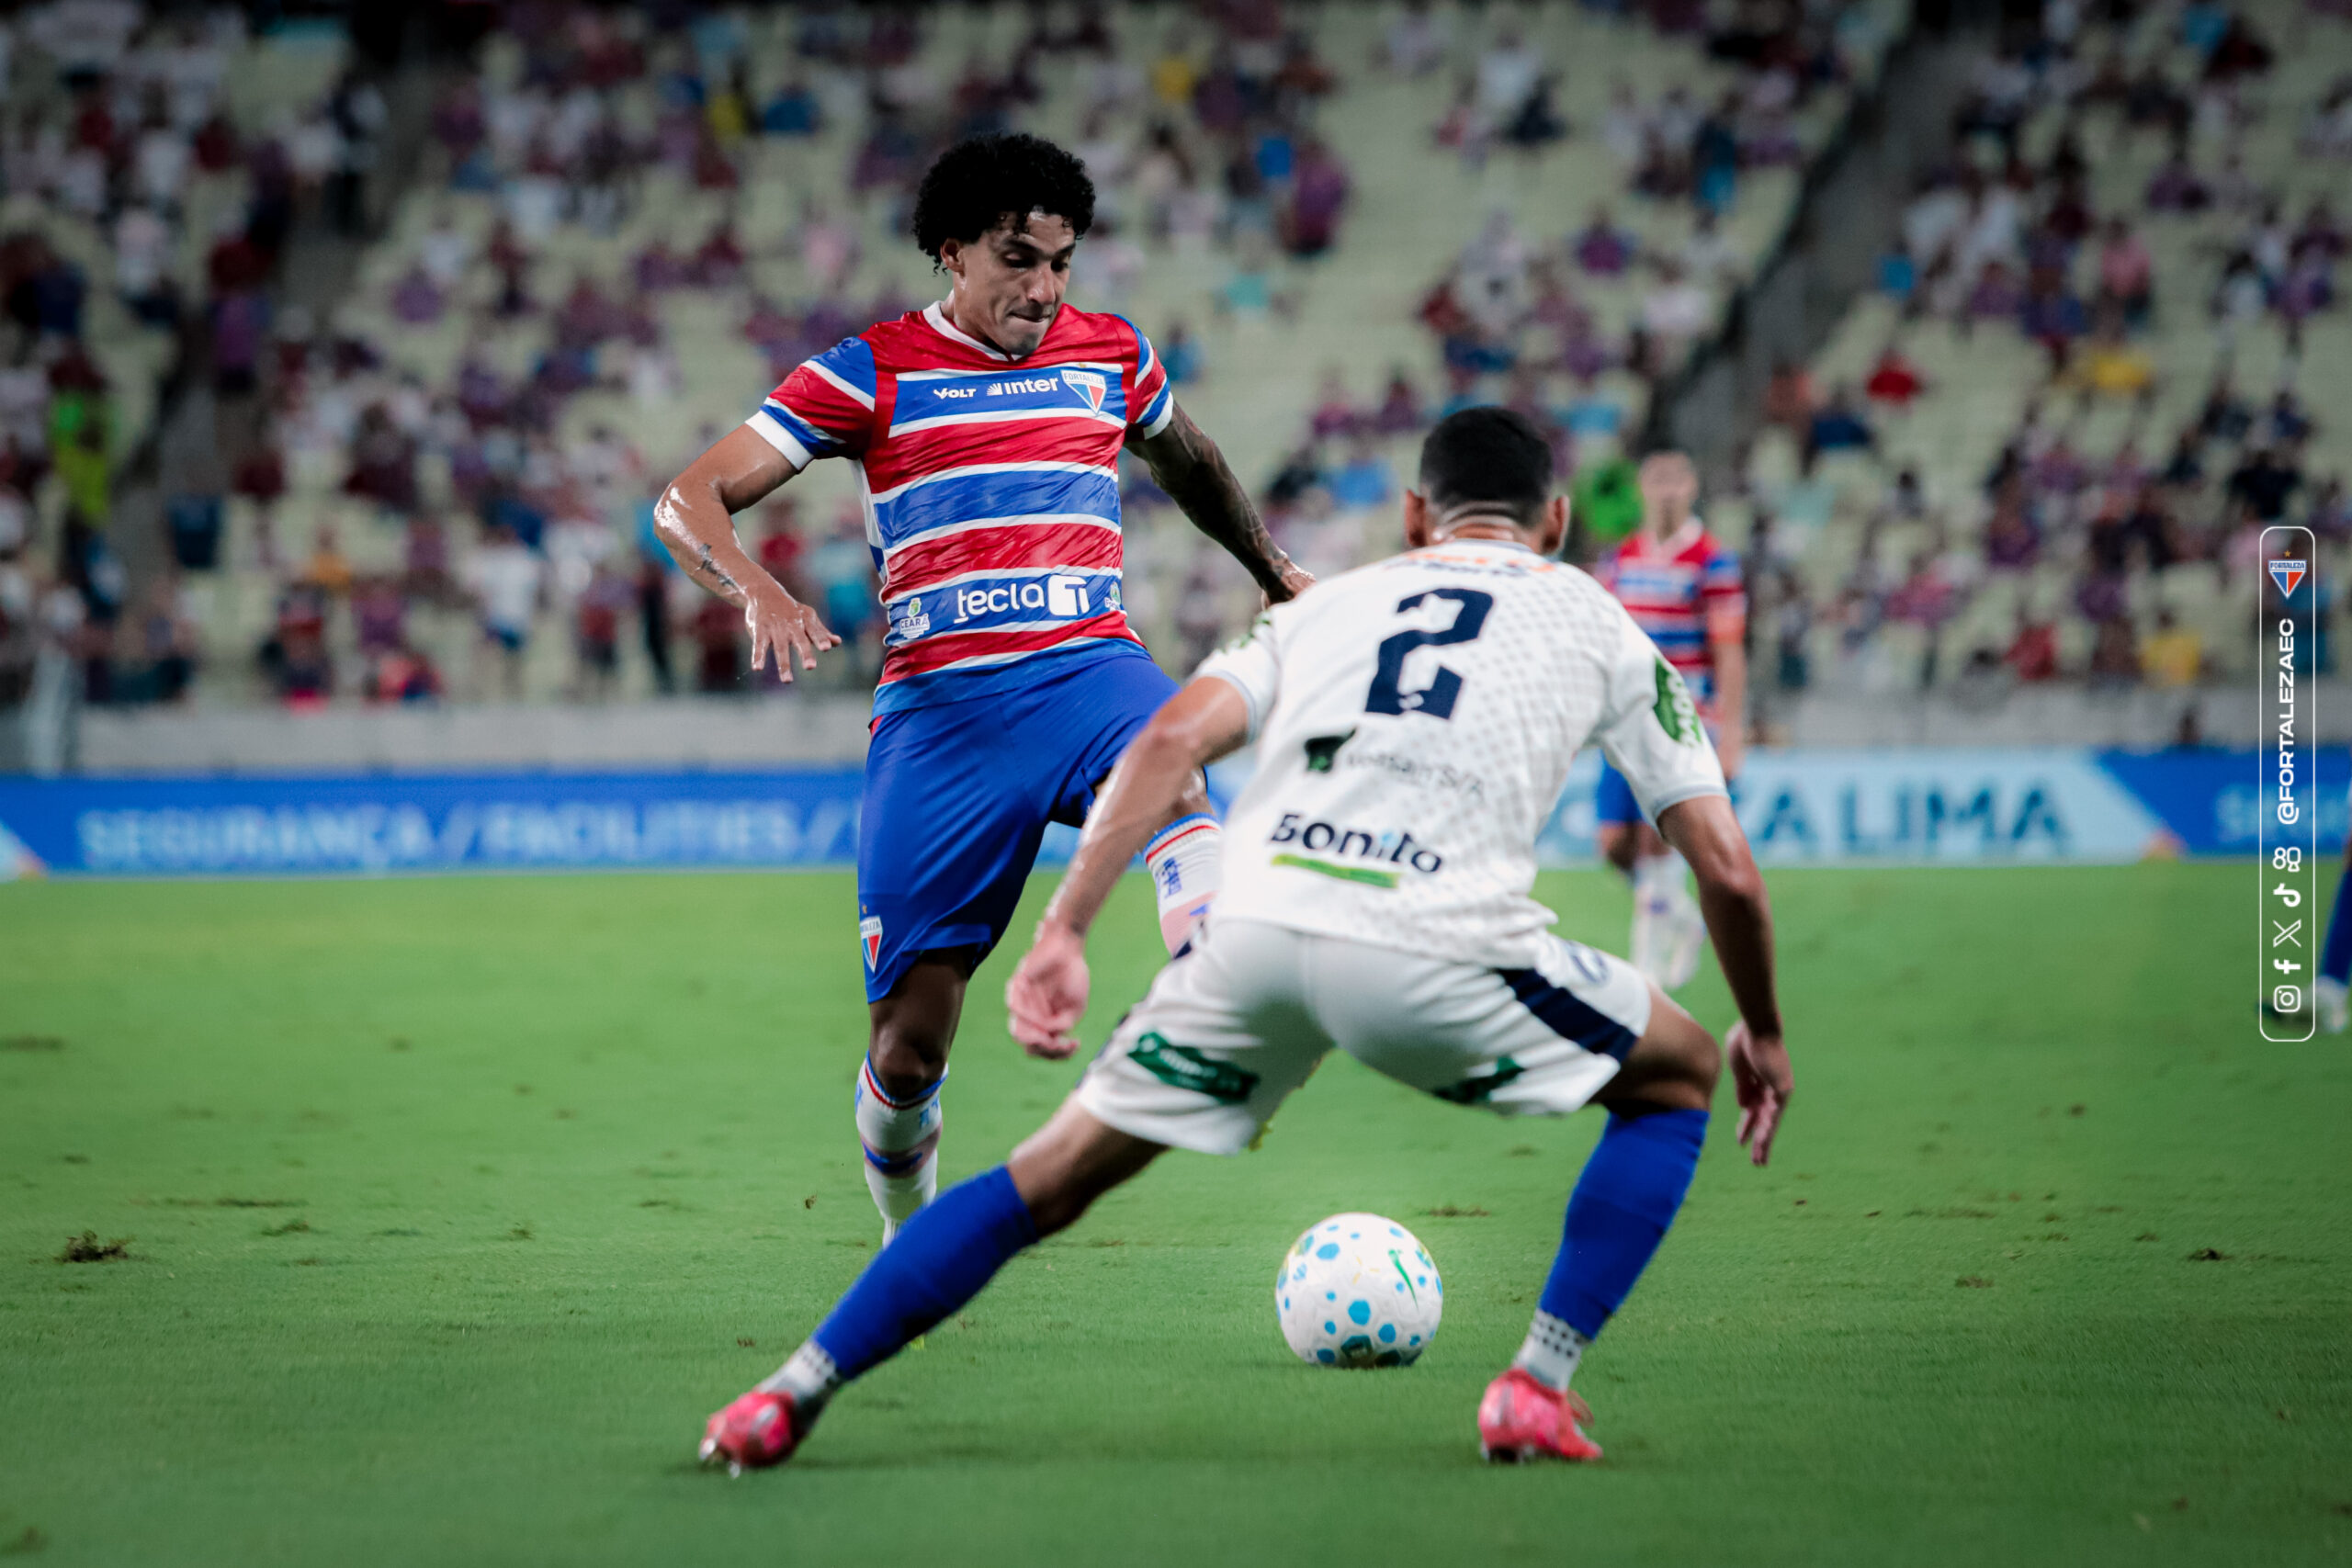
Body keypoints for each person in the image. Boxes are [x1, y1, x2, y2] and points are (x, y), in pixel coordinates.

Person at [699, 407, 1792, 1472]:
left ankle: (780, 1394)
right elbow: (1728, 874)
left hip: (1259, 938)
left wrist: (1066, 928)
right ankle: (1535, 1388)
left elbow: (1169, 736)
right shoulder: (1599, 621)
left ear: (1414, 515)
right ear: (1555, 520)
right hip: (1438, 944)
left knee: (1046, 1179)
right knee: (1680, 1071)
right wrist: (1766, 1034)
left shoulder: (1330, 606)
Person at [651, 133, 1311, 1241]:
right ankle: (909, 1236)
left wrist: (1274, 569)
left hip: (1090, 668)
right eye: (1018, 259)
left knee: (1176, 768)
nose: (1044, 289)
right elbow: (689, 499)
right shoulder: (868, 370)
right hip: (942, 718)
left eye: (1061, 263)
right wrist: (757, 591)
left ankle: (1215, 1022)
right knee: (908, 1048)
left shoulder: (1112, 355)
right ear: (950, 251)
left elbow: (1188, 460)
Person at [1591, 452, 1746, 989]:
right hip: (1623, 717)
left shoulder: (1713, 561)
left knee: (1657, 839)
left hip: (1683, 717)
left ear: (1693, 486)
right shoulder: (1622, 559)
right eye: (1657, 480)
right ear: (1642, 488)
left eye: (1677, 480)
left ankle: (1646, 975)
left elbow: (1729, 651)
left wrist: (1732, 733)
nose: (1667, 491)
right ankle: (1679, 914)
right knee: (1614, 845)